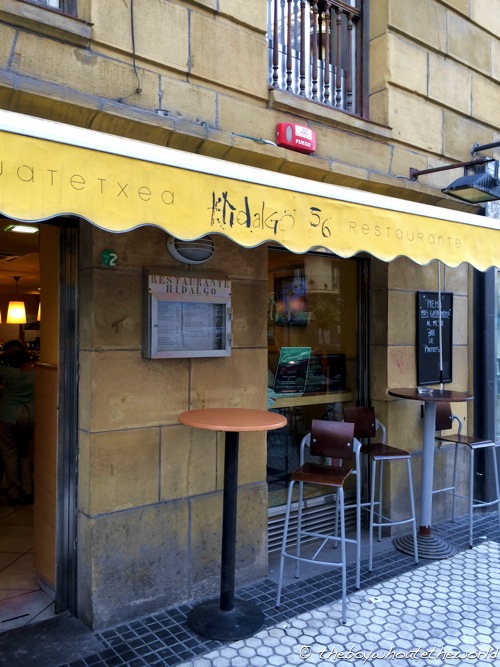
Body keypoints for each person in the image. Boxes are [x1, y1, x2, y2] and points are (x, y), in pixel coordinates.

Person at [0, 340, 35, 506]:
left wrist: (4, 354)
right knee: (24, 453)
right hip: (29, 416)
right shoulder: (36, 374)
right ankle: (27, 491)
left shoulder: (8, 373)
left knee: (9, 453)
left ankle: (13, 492)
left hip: (8, 415)